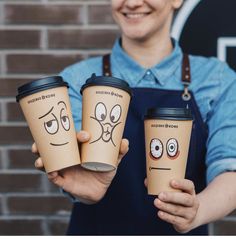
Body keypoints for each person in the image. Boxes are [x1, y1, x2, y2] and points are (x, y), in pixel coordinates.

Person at [32, 0, 236, 235]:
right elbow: (79, 174)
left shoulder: (218, 79)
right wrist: (82, 184)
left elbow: (228, 169)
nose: (132, 2)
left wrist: (197, 211)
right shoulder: (76, 81)